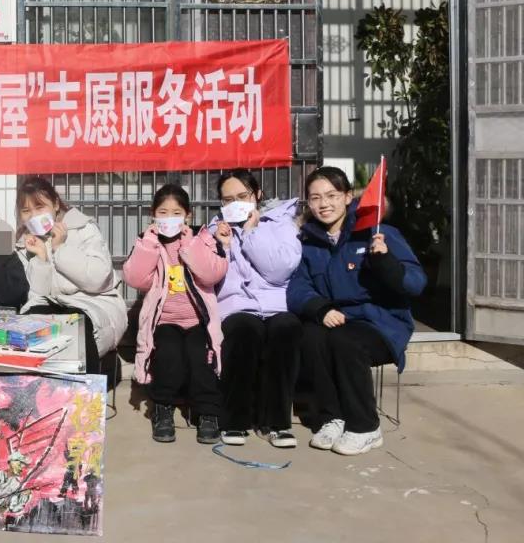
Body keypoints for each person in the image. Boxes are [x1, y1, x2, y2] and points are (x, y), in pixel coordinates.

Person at [287, 167, 426, 456]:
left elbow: (416, 283)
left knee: (344, 341)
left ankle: (365, 427)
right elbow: (298, 287)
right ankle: (332, 417)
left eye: (332, 195)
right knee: (310, 335)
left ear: (348, 197)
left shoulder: (378, 233)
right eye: (315, 198)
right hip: (337, 318)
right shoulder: (308, 242)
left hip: (380, 323)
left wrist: (385, 262)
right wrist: (320, 308)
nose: (324, 204)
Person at [122, 183, 227, 445]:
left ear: (188, 215)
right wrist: (148, 244)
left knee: (201, 356)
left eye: (176, 213)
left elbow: (212, 274)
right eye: (163, 212)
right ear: (153, 215)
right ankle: (163, 408)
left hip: (198, 320)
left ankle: (208, 412)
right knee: (167, 354)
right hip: (164, 320)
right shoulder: (147, 242)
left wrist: (190, 244)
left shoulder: (202, 239)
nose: (169, 218)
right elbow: (136, 279)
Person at [211, 169, 303, 448]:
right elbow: (214, 275)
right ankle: (234, 420)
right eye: (228, 199)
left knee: (286, 329)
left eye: (242, 196)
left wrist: (251, 233)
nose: (235, 203)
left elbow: (279, 270)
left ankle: (276, 422)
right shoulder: (215, 229)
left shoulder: (280, 223)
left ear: (257, 195)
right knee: (244, 331)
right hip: (236, 304)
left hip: (277, 303)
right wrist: (224, 247)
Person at [14, 177, 128, 376]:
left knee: (76, 323)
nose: (34, 216)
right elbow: (36, 297)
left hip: (94, 302)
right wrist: (40, 259)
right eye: (26, 211)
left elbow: (98, 279)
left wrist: (61, 248)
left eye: (40, 207)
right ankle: (33, 389)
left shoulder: (82, 228)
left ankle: (85, 391)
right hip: (51, 305)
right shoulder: (25, 244)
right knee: (28, 323)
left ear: (56, 204)